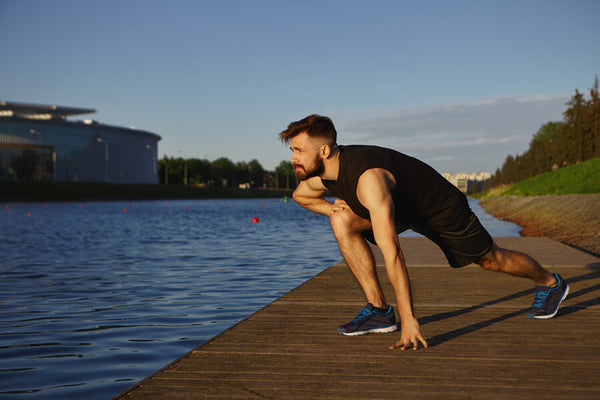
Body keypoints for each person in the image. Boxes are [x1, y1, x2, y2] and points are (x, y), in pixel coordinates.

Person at [279, 114, 570, 351]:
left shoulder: (368, 180)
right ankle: (379, 311)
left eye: (299, 150)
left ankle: (550, 283)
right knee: (341, 220)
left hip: (440, 209)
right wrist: (333, 209)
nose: (293, 158)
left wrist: (409, 319)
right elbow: (301, 196)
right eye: (292, 150)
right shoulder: (324, 175)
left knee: (491, 259)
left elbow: (392, 253)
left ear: (325, 151)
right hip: (402, 208)